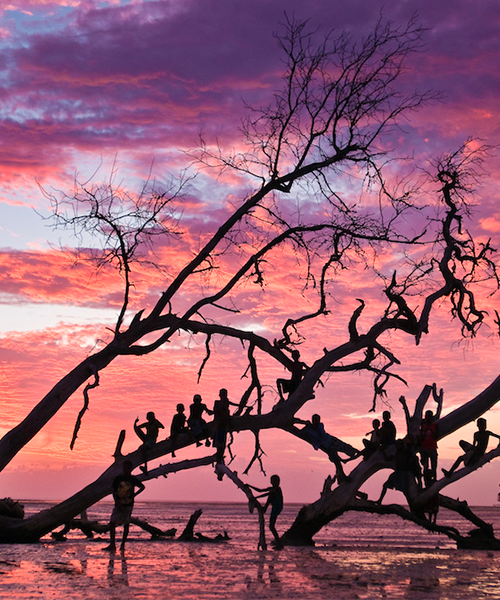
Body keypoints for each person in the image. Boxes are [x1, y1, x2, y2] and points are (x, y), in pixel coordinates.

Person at [105, 460, 145, 553]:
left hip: (128, 504)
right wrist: (117, 502)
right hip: (119, 503)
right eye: (124, 467)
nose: (126, 469)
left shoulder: (133, 479)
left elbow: (142, 487)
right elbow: (113, 491)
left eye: (128, 467)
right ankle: (112, 544)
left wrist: (134, 495)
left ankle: (123, 545)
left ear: (131, 468)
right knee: (112, 523)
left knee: (126, 524)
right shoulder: (118, 478)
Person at [377, 436, 420, 505]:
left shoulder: (406, 452)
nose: (397, 446)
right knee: (385, 485)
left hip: (404, 473)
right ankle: (380, 500)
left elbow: (412, 460)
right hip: (398, 472)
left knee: (405, 491)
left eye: (398, 444)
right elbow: (388, 459)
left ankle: (412, 503)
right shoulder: (397, 453)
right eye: (397, 444)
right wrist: (383, 451)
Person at [248, 475, 284, 548]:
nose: (275, 483)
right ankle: (279, 543)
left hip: (277, 507)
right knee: (271, 526)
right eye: (274, 481)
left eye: (276, 481)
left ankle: (279, 544)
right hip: (276, 507)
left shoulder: (277, 489)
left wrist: (256, 498)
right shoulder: (272, 489)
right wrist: (250, 486)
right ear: (271, 482)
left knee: (271, 526)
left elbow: (267, 494)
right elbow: (261, 491)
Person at [212, 389, 239, 473]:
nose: (224, 395)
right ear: (219, 395)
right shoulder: (217, 403)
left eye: (225, 394)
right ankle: (218, 460)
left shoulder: (226, 403)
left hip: (224, 426)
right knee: (219, 445)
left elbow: (228, 412)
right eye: (222, 394)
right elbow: (216, 412)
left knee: (222, 445)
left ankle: (219, 460)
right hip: (218, 425)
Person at [419, 410, 439, 484]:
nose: (428, 418)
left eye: (429, 416)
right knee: (425, 467)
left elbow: (436, 436)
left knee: (434, 466)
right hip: (424, 448)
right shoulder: (423, 426)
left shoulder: (434, 425)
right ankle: (426, 482)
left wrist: (431, 430)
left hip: (432, 447)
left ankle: (434, 480)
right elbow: (421, 438)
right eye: (427, 416)